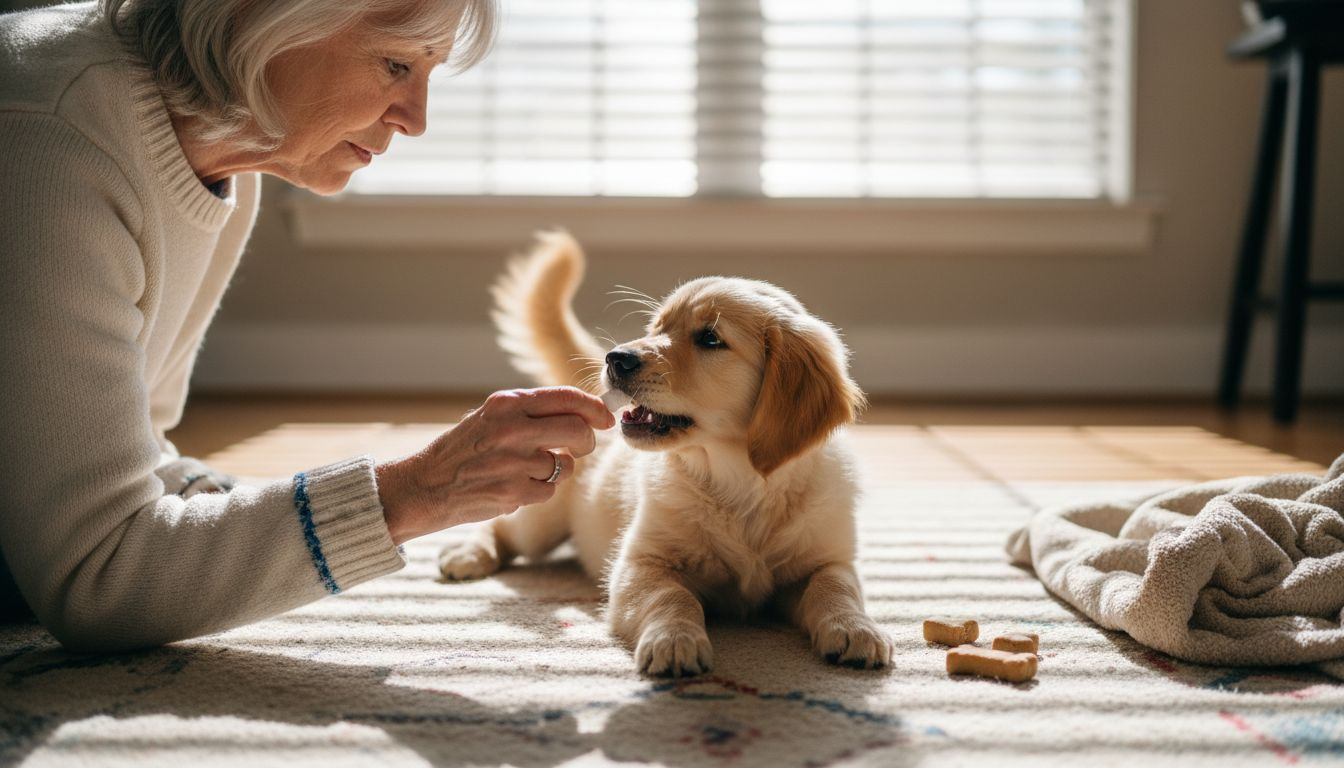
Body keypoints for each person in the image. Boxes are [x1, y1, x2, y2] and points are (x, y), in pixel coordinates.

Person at [0, 0, 614, 653]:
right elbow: (98, 577)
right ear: (255, 14)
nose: (417, 120)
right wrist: (414, 493)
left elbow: (134, 458)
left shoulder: (231, 149)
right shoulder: (52, 139)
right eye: (396, 63)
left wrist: (322, 510)